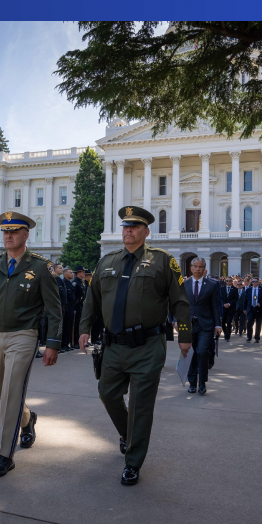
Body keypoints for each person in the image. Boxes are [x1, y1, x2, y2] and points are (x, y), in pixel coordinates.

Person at [78, 205, 192, 486]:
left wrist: (186, 335)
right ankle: (128, 434)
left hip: (148, 345)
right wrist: (83, 329)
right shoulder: (106, 262)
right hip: (114, 346)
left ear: (146, 231)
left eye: (135, 226)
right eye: (125, 226)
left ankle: (133, 461)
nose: (128, 231)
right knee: (107, 393)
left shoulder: (164, 261)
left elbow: (179, 300)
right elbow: (91, 300)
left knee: (141, 405)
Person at [0, 211, 62, 476]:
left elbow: (54, 310)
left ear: (26, 235)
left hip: (24, 335)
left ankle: (3, 453)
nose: (8, 236)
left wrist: (52, 343)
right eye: (5, 232)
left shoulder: (41, 267)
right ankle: (28, 419)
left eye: (14, 231)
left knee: (12, 390)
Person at [185, 257, 222, 394]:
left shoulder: (211, 285)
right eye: (195, 266)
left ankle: (202, 383)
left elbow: (215, 307)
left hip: (206, 326)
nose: (198, 269)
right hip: (189, 325)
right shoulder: (185, 284)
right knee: (191, 354)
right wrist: (176, 320)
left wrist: (218, 324)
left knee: (201, 352)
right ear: (191, 268)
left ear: (204, 269)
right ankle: (192, 383)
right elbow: (181, 306)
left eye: (200, 267)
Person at [240, 276, 262, 342]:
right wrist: (244, 309)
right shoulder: (248, 290)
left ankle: (257, 337)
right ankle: (249, 336)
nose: (254, 283)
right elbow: (245, 300)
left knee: (258, 323)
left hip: (259, 308)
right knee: (249, 322)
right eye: (253, 281)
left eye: (255, 281)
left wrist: (261, 303)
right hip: (251, 308)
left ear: (258, 282)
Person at [220, 277, 239, 342]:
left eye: (230, 281)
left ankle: (228, 336)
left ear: (231, 281)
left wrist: (229, 304)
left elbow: (236, 298)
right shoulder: (222, 289)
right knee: (222, 322)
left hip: (231, 308)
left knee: (229, 322)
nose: (228, 282)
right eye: (227, 281)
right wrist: (224, 304)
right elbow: (220, 298)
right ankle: (225, 333)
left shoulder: (235, 289)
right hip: (224, 308)